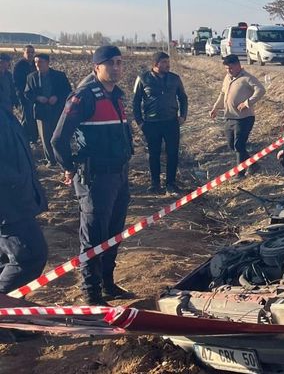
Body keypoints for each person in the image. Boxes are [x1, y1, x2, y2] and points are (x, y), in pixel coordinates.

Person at [51, 45, 134, 305]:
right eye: (111, 63)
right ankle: (92, 293)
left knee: (113, 233)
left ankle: (108, 283)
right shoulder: (83, 96)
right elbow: (58, 139)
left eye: (120, 62)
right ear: (96, 67)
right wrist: (69, 167)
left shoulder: (117, 96)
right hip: (95, 178)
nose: (117, 67)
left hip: (119, 175)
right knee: (94, 236)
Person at [0, 107, 48, 295]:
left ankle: (8, 317)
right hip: (8, 204)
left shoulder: (4, 105)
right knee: (29, 257)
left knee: (7, 260)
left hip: (16, 198)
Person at [132, 51, 189, 194]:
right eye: (164, 62)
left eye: (168, 62)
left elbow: (183, 98)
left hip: (171, 122)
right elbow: (135, 102)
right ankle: (155, 183)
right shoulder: (143, 79)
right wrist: (139, 122)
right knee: (153, 154)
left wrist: (183, 115)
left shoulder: (175, 79)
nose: (167, 65)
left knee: (172, 153)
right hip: (151, 123)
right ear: (155, 64)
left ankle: (171, 183)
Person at [209, 54, 266, 178]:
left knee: (239, 145)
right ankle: (253, 164)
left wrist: (247, 102)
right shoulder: (227, 78)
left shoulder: (247, 78)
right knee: (232, 145)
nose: (229, 71)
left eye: (231, 68)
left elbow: (261, 90)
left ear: (238, 65)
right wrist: (216, 107)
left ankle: (240, 173)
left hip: (244, 118)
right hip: (229, 117)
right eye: (226, 69)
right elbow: (223, 94)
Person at [24, 54, 72, 166]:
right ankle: (51, 160)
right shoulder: (31, 77)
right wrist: (37, 97)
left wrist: (57, 97)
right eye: (36, 62)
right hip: (41, 111)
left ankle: (62, 159)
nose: (38, 64)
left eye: (40, 62)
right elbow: (27, 93)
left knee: (58, 136)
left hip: (57, 110)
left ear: (47, 62)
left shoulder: (59, 76)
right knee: (45, 138)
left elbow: (67, 91)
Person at [12, 45, 37, 144]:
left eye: (32, 52)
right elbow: (17, 83)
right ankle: (26, 139)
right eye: (28, 52)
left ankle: (33, 138)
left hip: (34, 96)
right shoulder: (19, 66)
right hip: (24, 96)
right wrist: (21, 96)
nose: (30, 54)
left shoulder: (35, 64)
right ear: (24, 53)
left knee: (34, 118)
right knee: (27, 118)